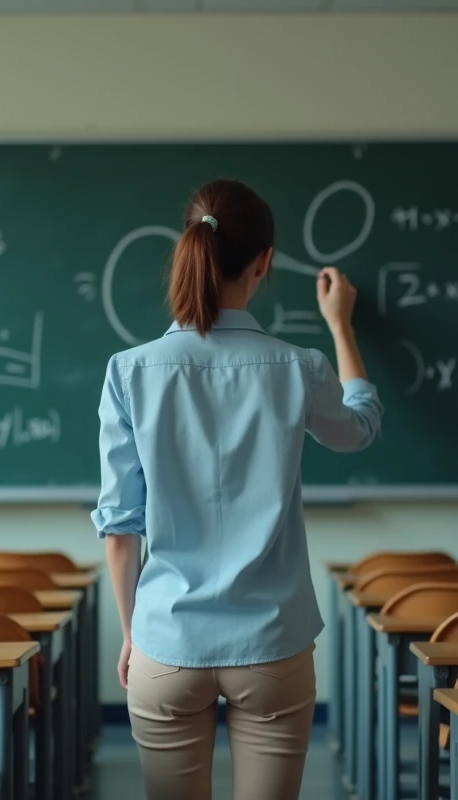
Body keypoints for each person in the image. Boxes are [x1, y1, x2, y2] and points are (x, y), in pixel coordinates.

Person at [92, 178, 383, 800]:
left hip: (167, 640)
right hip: (272, 643)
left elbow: (121, 531)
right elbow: (359, 429)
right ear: (265, 261)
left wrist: (133, 635)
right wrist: (342, 330)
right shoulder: (299, 367)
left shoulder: (129, 372)